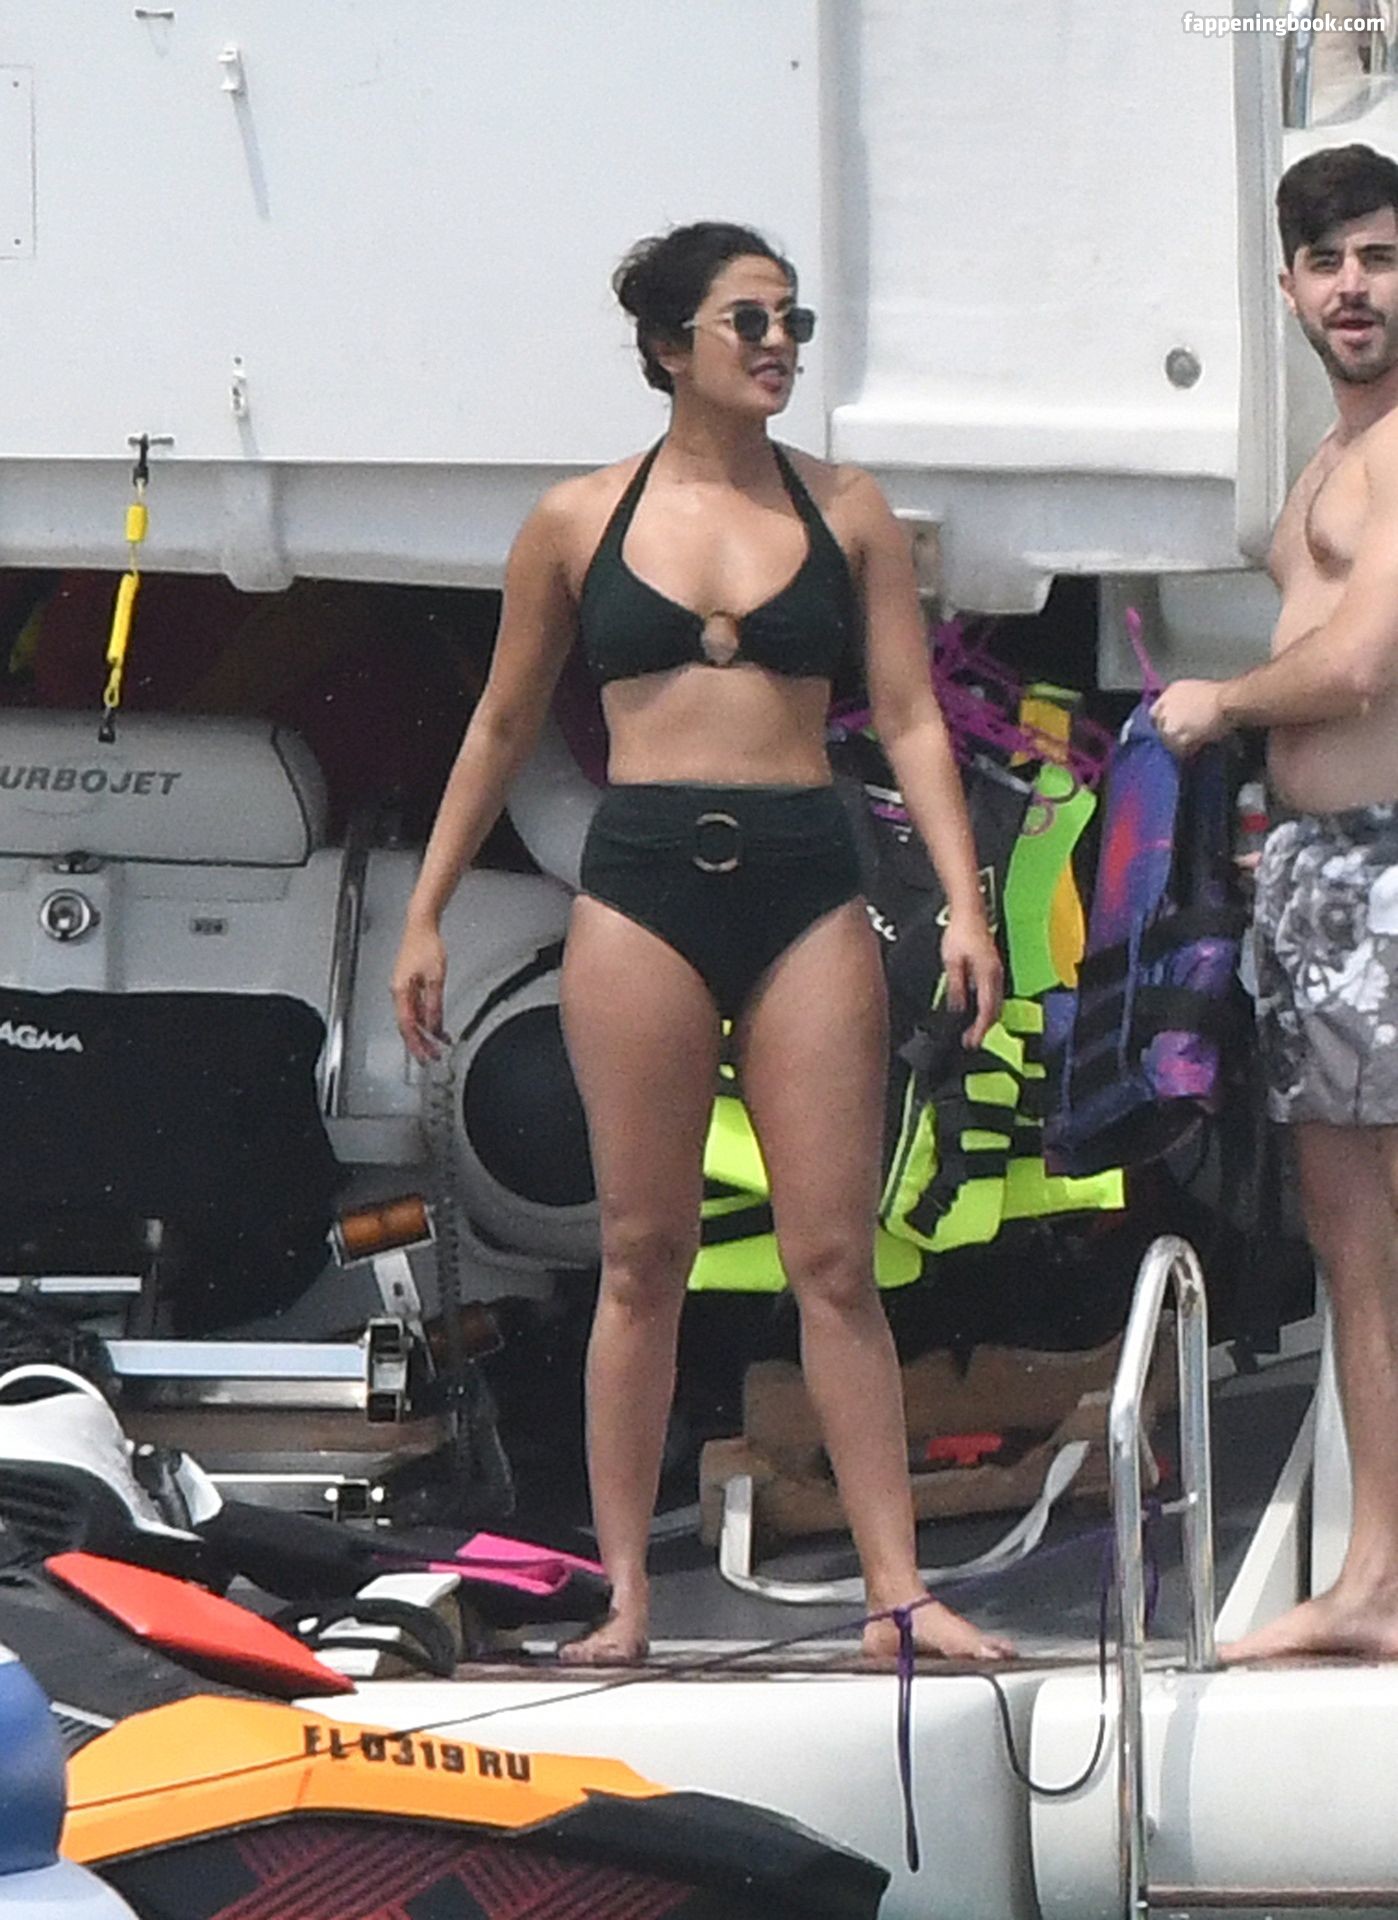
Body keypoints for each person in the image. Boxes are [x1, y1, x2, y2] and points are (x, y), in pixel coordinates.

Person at [392, 222, 1009, 1665]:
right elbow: (501, 720)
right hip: (642, 883)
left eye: (792, 321)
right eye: (749, 322)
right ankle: (625, 1596)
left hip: (803, 877)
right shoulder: (575, 519)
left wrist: (966, 903)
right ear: (672, 349)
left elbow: (909, 717)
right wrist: (425, 908)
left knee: (833, 1256)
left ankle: (898, 1592)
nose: (779, 345)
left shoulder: (848, 509)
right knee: (640, 1250)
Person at [1153, 143, 1398, 1660]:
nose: (1353, 288)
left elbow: (1362, 662)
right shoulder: (1326, 455)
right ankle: (1376, 1580)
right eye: (1326, 264)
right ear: (1291, 288)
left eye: (1379, 256)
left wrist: (1221, 704)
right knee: (1348, 1244)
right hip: (1319, 878)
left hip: (1388, 867)